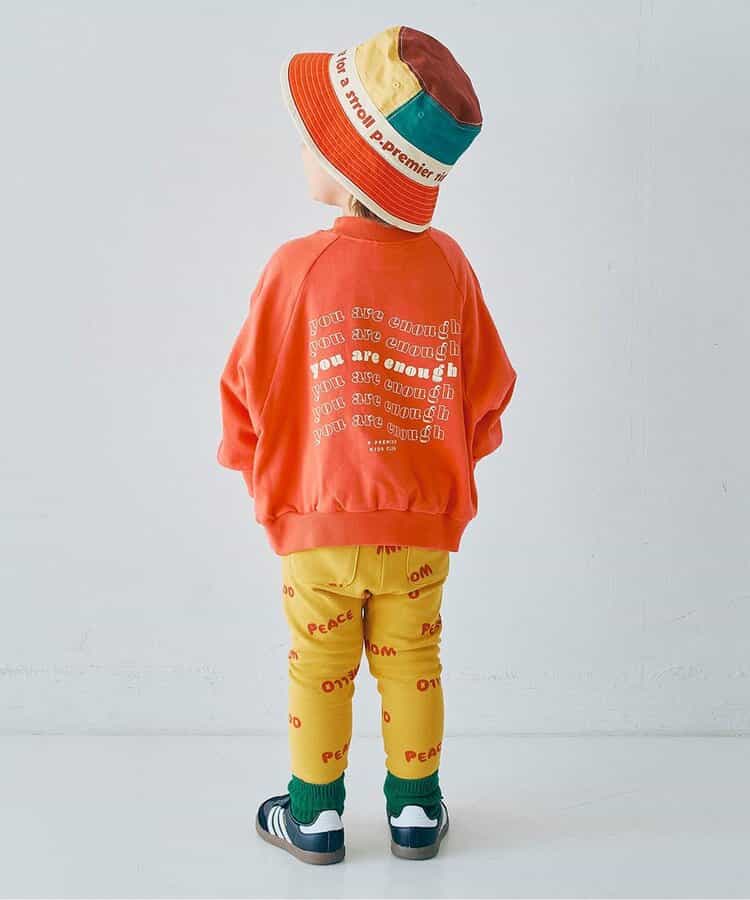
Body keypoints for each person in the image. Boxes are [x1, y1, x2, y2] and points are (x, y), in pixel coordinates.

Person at [217, 25, 517, 865]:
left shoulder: (295, 267)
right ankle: (416, 811)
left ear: (353, 165)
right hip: (419, 527)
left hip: (319, 525)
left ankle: (314, 818)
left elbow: (244, 388)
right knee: (413, 657)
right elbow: (488, 392)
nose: (301, 150)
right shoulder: (448, 266)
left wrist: (259, 473)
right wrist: (435, 471)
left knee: (319, 663)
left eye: (314, 138)